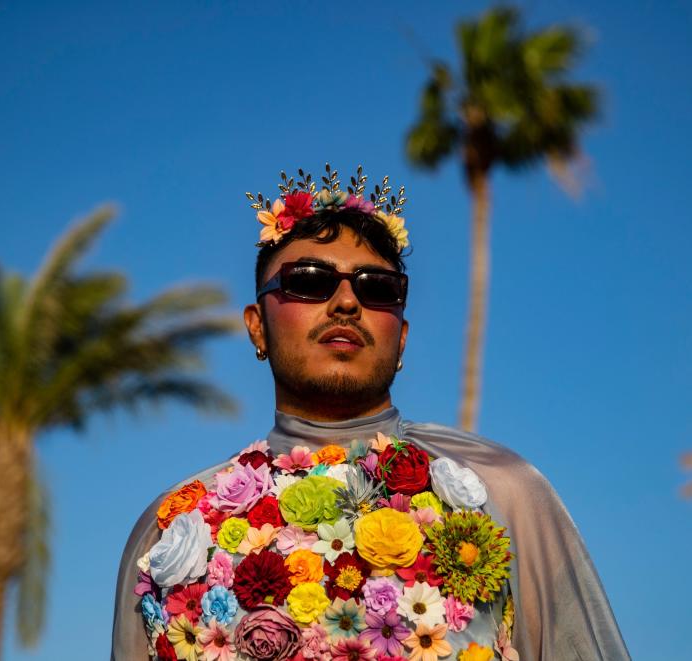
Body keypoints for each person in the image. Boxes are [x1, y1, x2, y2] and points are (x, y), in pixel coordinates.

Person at [110, 166, 630, 661]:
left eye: (377, 288)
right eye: (309, 281)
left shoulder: (504, 494)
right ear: (256, 326)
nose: (345, 303)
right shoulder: (174, 530)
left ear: (401, 337)